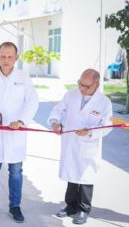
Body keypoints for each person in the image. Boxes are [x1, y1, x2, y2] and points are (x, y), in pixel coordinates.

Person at [0, 42, 39, 223]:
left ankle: (15, 206)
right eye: (3, 56)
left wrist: (22, 121)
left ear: (16, 58)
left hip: (15, 133)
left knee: (16, 171)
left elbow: (32, 102)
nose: (6, 60)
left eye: (10, 57)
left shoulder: (23, 77)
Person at [48, 69, 112, 225]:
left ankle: (83, 209)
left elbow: (107, 126)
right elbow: (58, 110)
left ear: (96, 84)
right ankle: (70, 206)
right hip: (71, 142)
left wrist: (89, 133)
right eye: (80, 84)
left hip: (88, 145)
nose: (81, 88)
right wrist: (55, 122)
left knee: (85, 178)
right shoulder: (71, 94)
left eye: (86, 86)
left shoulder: (104, 102)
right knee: (71, 175)